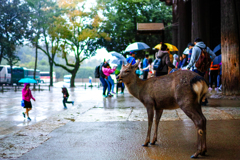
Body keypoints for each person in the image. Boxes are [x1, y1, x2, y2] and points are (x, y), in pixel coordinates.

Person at [186, 38, 216, 106]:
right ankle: (203, 99)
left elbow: (193, 59)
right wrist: (208, 62)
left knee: (195, 84)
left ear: (195, 42)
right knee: (202, 83)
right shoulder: (206, 48)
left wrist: (188, 67)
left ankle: (197, 100)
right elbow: (214, 55)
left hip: (196, 68)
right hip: (204, 69)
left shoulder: (195, 48)